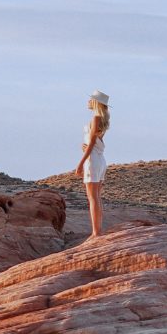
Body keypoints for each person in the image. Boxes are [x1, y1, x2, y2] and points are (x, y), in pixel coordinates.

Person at [77, 90, 110, 238]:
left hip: (93, 159)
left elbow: (91, 143)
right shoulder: (102, 119)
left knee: (92, 197)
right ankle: (98, 230)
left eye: (91, 99)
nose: (88, 101)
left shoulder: (96, 118)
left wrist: (80, 162)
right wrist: (84, 146)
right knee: (96, 196)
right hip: (100, 158)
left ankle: (96, 232)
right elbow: (94, 142)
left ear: (96, 102)